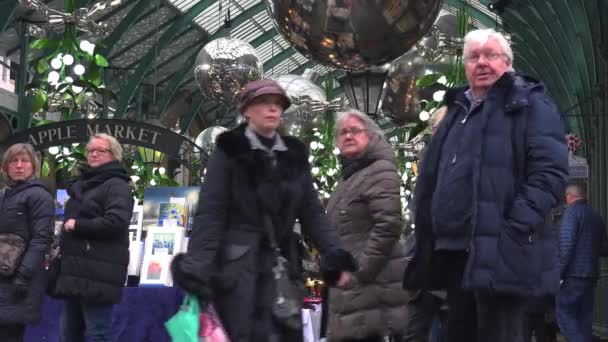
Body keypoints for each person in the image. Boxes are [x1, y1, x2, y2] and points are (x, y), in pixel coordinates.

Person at [404, 28, 568, 342]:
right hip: (454, 254)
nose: (482, 62)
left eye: (490, 55)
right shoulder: (457, 111)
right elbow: (434, 175)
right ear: (465, 65)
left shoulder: (529, 104)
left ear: (507, 62)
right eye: (474, 56)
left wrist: (511, 228)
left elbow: (550, 175)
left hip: (502, 254)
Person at [171, 79, 357, 342]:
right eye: (263, 103)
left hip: (281, 267)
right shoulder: (229, 150)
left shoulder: (293, 155)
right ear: (246, 111)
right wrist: (198, 266)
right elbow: (212, 212)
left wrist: (334, 254)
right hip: (237, 272)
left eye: (277, 104)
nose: (272, 110)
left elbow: (312, 212)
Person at [325, 110, 407, 342]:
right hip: (353, 293)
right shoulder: (348, 179)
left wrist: (359, 272)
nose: (348, 136)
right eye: (343, 133)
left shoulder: (379, 169)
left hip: (373, 292)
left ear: (370, 136)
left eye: (355, 131)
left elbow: (388, 224)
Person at [52, 134, 134, 342]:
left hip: (99, 272)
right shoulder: (84, 184)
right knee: (69, 334)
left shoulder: (116, 185)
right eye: (91, 150)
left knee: (97, 333)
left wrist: (78, 226)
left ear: (114, 155)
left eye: (101, 150)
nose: (94, 154)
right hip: (75, 270)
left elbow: (116, 221)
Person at [0, 143, 54, 342]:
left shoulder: (39, 195)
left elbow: (41, 239)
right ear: (6, 166)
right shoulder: (4, 195)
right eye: (14, 161)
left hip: (20, 280)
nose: (19, 165)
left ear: (33, 166)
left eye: (25, 161)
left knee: (10, 334)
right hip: (3, 277)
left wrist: (23, 275)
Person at [557, 183, 608, 342]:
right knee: (585, 319)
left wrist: (558, 274)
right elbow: (604, 248)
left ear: (569, 196)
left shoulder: (571, 214)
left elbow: (566, 247)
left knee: (564, 314)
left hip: (573, 275)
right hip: (591, 275)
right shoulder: (595, 215)